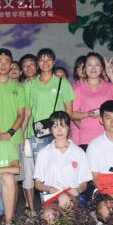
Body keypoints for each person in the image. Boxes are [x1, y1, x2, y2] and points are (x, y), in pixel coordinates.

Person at [23, 48, 75, 213]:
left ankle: (66, 208)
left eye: (48, 60)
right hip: (38, 135)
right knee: (42, 173)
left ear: (54, 62)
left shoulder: (62, 83)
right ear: (38, 63)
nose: (45, 63)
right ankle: (48, 210)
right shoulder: (31, 85)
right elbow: (27, 112)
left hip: (59, 133)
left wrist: (67, 132)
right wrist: (23, 134)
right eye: (42, 60)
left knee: (62, 168)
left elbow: (69, 111)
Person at [33, 111, 91, 223]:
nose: (59, 130)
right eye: (55, 127)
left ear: (68, 128)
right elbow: (38, 184)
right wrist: (50, 189)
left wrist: (78, 190)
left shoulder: (79, 152)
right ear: (50, 130)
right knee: (49, 215)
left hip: (74, 196)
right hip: (52, 196)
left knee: (68, 204)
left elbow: (84, 184)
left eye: (63, 126)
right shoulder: (44, 153)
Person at [71, 52, 113, 147]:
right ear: (84, 68)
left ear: (102, 68)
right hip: (88, 138)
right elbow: (72, 114)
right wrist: (88, 114)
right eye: (89, 65)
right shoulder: (79, 89)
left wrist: (110, 74)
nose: (93, 68)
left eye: (97, 65)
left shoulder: (109, 86)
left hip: (109, 137)